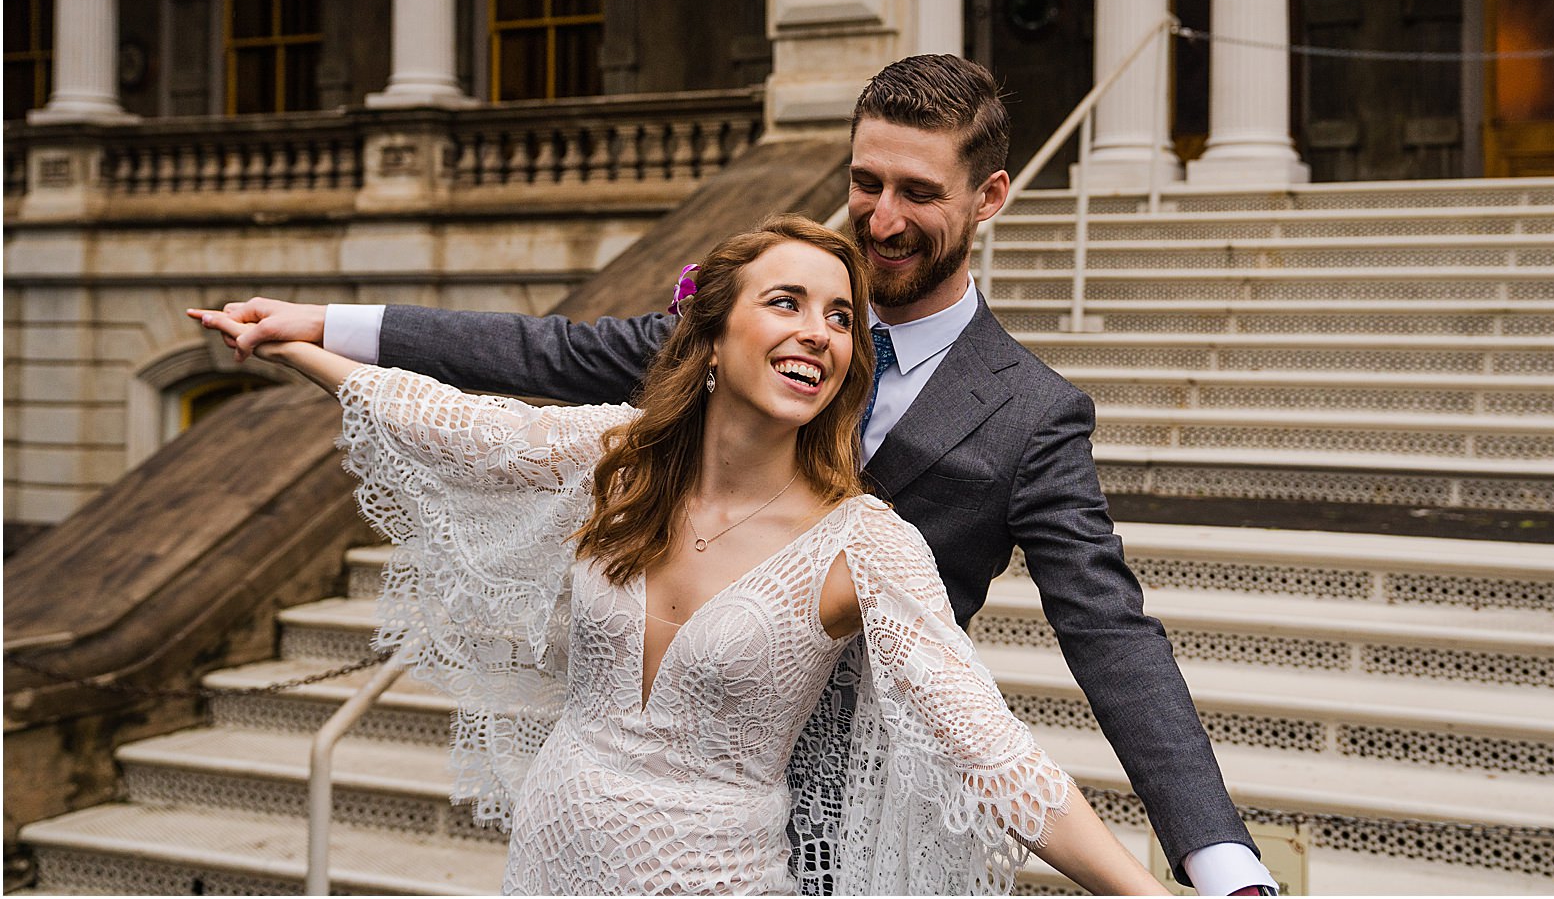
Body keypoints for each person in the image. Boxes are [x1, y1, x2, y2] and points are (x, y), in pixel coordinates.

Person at [201, 55, 1277, 896]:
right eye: (865, 182)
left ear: (991, 194)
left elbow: (1108, 632)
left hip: (847, 815)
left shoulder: (1028, 414)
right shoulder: (739, 331)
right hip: (582, 823)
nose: (883, 218)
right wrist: (325, 323)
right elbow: (529, 367)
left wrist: (1217, 862)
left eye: (918, 192)